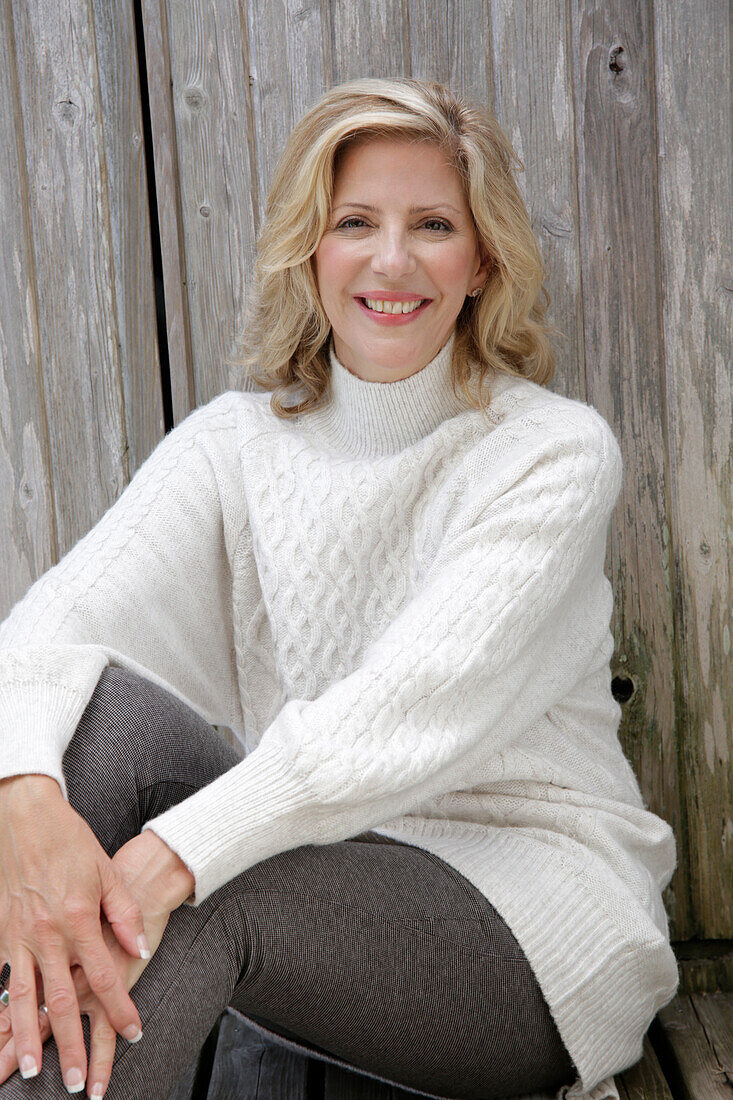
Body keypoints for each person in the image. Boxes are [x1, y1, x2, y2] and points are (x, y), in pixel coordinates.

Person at [0, 77, 678, 1100]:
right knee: (80, 726)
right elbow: (45, 633)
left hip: (530, 921)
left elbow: (397, 711)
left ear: (482, 256)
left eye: (433, 225)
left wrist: (172, 855)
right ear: (310, 247)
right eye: (354, 221)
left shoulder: (548, 452)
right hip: (315, 871)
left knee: (196, 893)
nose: (391, 259)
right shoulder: (238, 440)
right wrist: (27, 806)